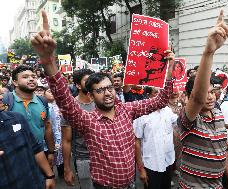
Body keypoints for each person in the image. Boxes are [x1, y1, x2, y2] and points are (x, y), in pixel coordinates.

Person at [31, 10, 174, 188]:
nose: (107, 93)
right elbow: (66, 102)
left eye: (109, 88)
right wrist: (48, 60)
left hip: (130, 184)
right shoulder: (87, 121)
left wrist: (168, 74)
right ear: (90, 95)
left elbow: (159, 102)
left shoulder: (127, 110)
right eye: (100, 90)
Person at [176, 10, 228, 188]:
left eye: (213, 91)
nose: (209, 96)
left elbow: (220, 152)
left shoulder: (218, 113)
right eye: (205, 92)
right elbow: (197, 99)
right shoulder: (188, 120)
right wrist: (208, 53)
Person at [0, 92, 55, 189]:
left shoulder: (17, 118)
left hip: (34, 182)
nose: (1, 97)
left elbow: (36, 149)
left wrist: (49, 175)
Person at [5, 65, 54, 167]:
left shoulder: (42, 101)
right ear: (15, 82)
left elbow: (47, 127)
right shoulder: (5, 102)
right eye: (25, 77)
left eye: (33, 76)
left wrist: (51, 152)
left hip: (40, 156)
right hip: (13, 159)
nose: (31, 79)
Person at [134, 87, 178, 189]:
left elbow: (179, 123)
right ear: (149, 95)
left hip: (168, 161)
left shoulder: (167, 110)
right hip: (151, 165)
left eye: (161, 92)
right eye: (156, 92)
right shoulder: (141, 113)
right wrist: (141, 169)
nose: (160, 95)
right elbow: (136, 142)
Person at [61, 68, 95, 187]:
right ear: (78, 85)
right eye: (87, 80)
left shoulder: (101, 102)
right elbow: (66, 140)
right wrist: (67, 168)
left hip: (105, 156)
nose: (92, 83)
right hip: (83, 159)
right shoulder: (70, 108)